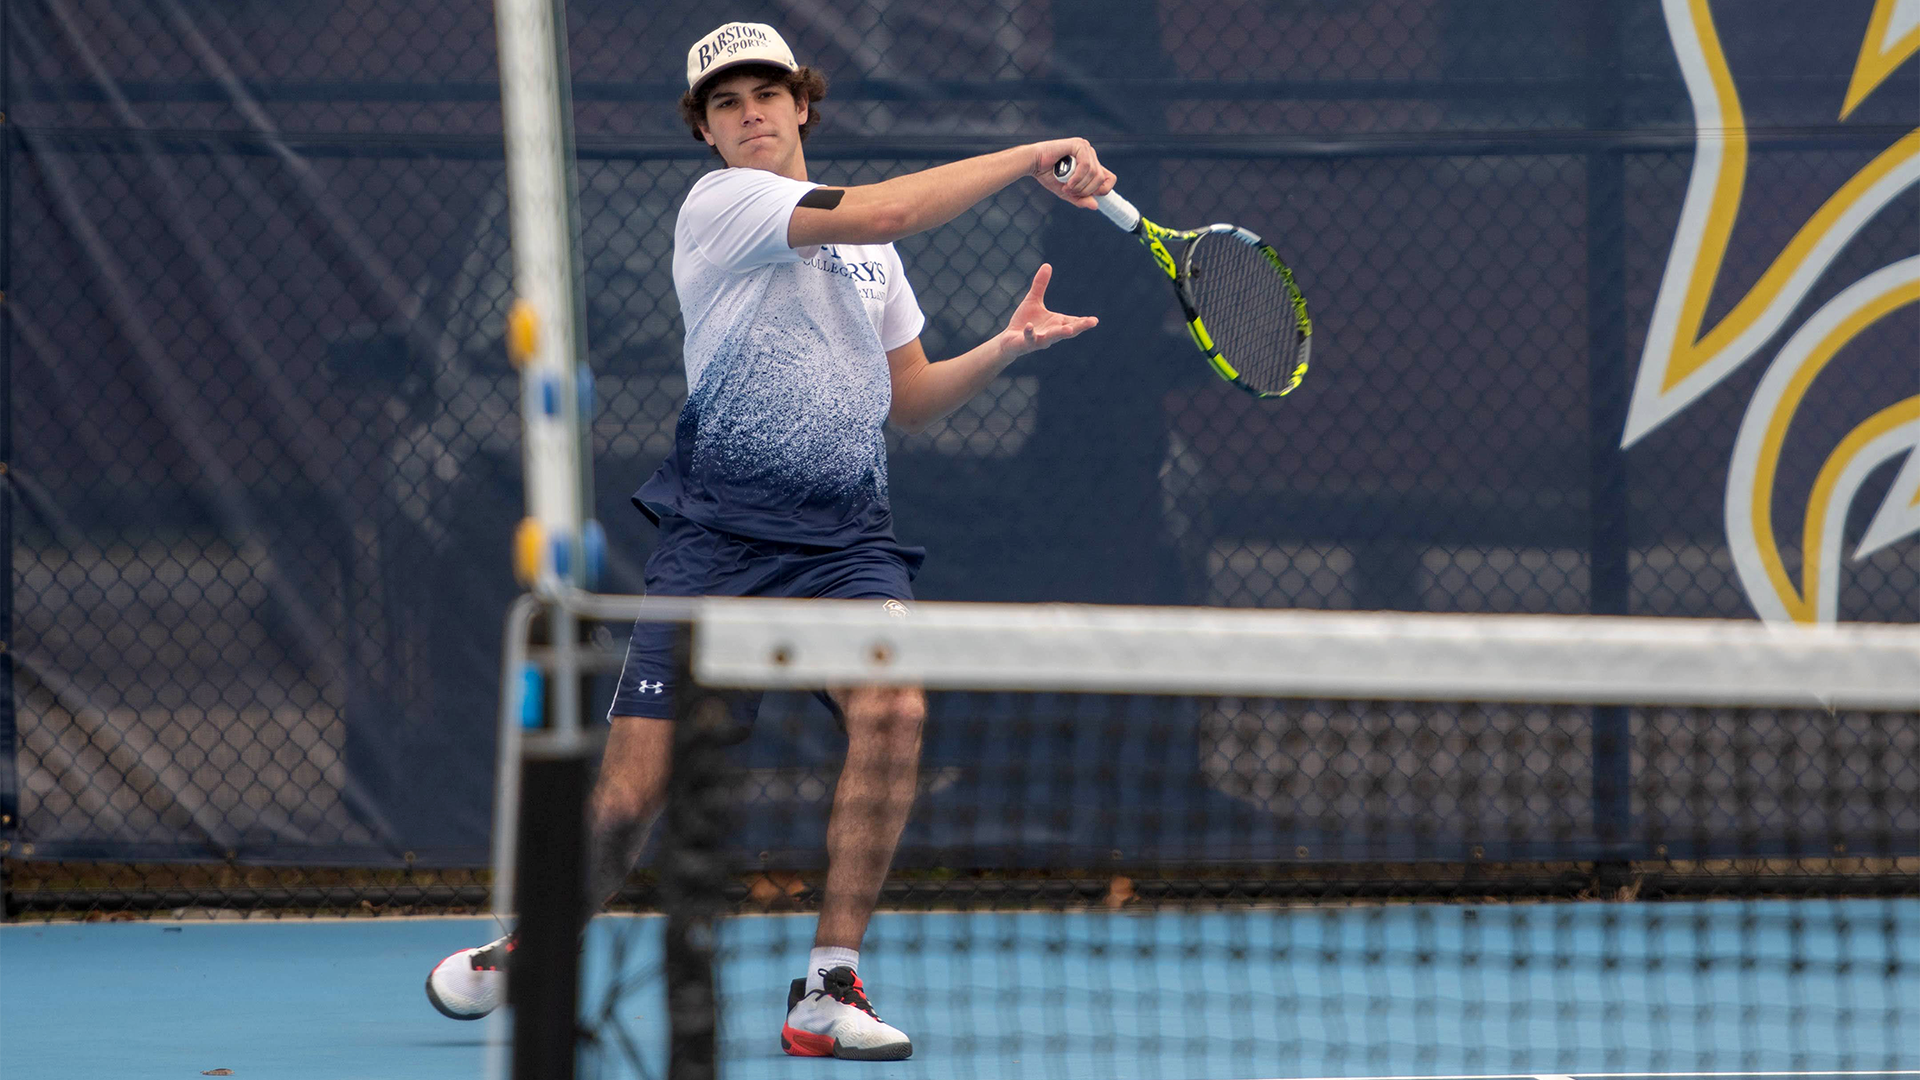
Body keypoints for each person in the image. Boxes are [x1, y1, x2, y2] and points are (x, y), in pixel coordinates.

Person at [426, 20, 1116, 1061]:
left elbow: (912, 399)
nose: (750, 113)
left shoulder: (872, 260)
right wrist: (1030, 153)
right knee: (625, 804)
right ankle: (542, 939)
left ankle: (827, 985)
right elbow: (881, 204)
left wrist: (1006, 346)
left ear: (803, 106)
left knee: (894, 712)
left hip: (848, 546)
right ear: (706, 132)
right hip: (719, 546)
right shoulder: (724, 205)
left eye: (768, 95)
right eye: (726, 104)